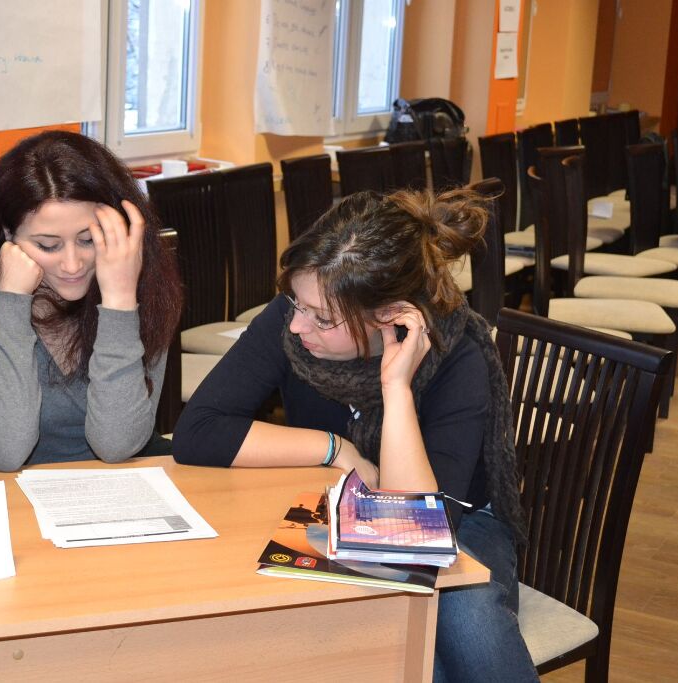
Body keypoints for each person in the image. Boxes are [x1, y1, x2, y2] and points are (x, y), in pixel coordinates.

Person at [173, 189, 538, 681]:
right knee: (358, 637)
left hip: (461, 519)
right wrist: (336, 449)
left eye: (322, 318)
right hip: (331, 505)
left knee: (461, 619)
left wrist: (396, 388)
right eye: (296, 303)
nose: (297, 326)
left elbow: (414, 534)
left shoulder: (455, 357)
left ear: (387, 317)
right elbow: (197, 431)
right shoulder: (294, 318)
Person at [0, 131, 182, 471]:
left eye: (87, 240)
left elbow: (117, 445)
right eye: (48, 246)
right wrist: (11, 302)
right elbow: (3, 451)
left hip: (105, 487)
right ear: (7, 235)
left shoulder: (137, 286)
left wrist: (120, 301)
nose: (72, 265)